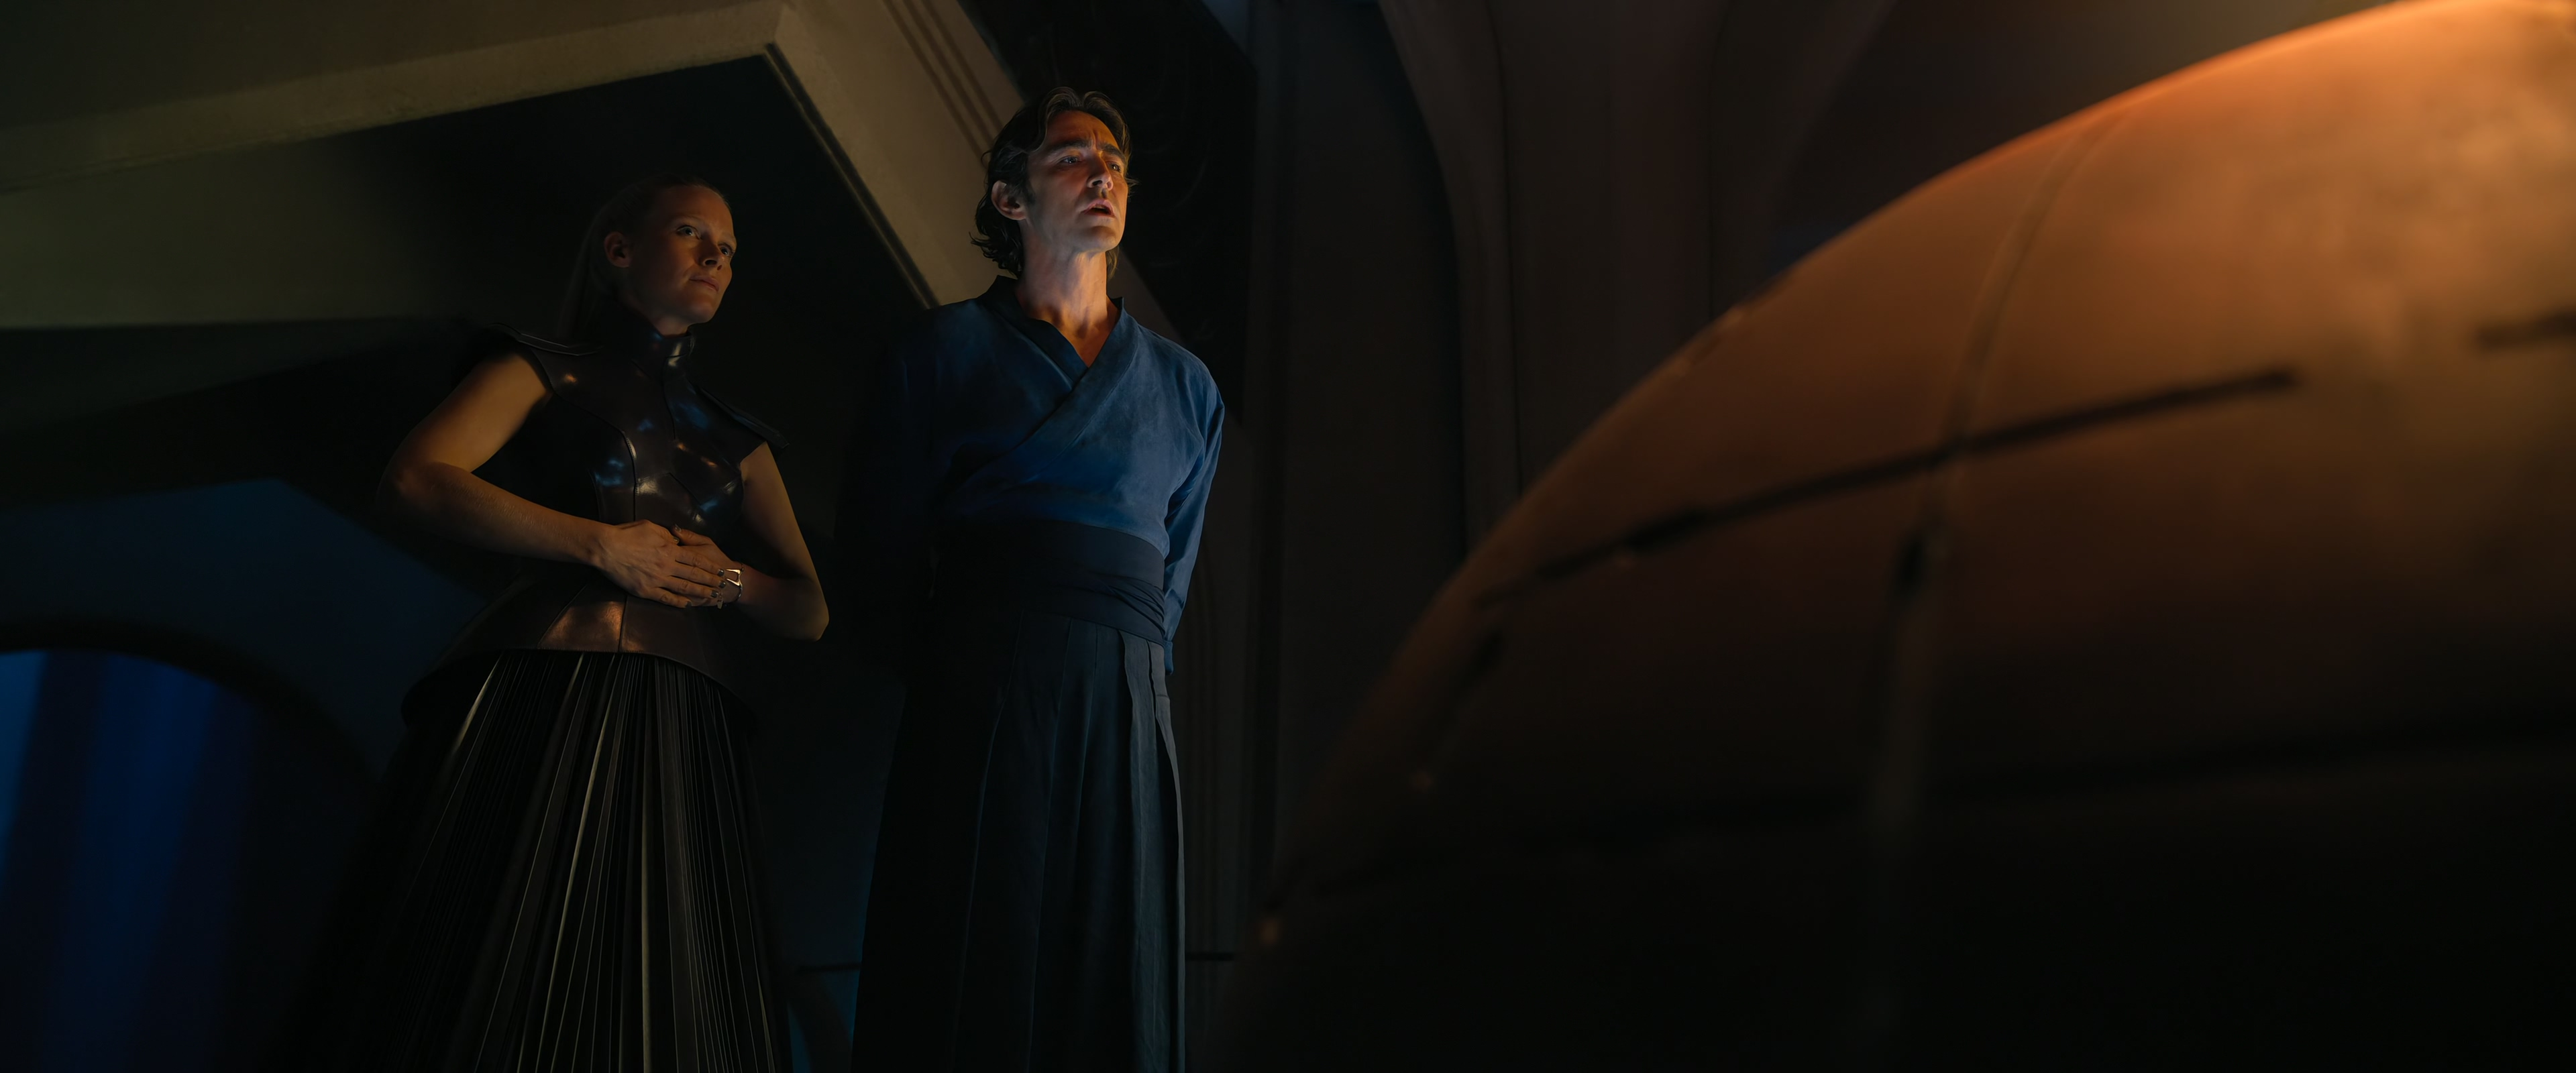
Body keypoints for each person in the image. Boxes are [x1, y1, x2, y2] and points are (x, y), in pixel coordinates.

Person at [298, 174, 826, 1072]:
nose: (716, 258)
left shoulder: (740, 438)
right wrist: (598, 545)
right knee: (486, 942)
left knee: (663, 971)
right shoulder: (540, 365)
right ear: (619, 250)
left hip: (683, 720)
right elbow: (418, 478)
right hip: (543, 686)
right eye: (692, 232)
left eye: (730, 250)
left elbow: (809, 608)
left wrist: (730, 581)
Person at [846, 89, 1224, 1072]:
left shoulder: (1186, 387)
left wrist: (1125, 673)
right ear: (1010, 199)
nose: (1103, 174)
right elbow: (880, 563)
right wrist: (963, 673)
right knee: (977, 946)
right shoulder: (939, 353)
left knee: (1115, 958)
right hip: (981, 679)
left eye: (1115, 161)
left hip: (1127, 688)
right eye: (1070, 157)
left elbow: (1172, 575)